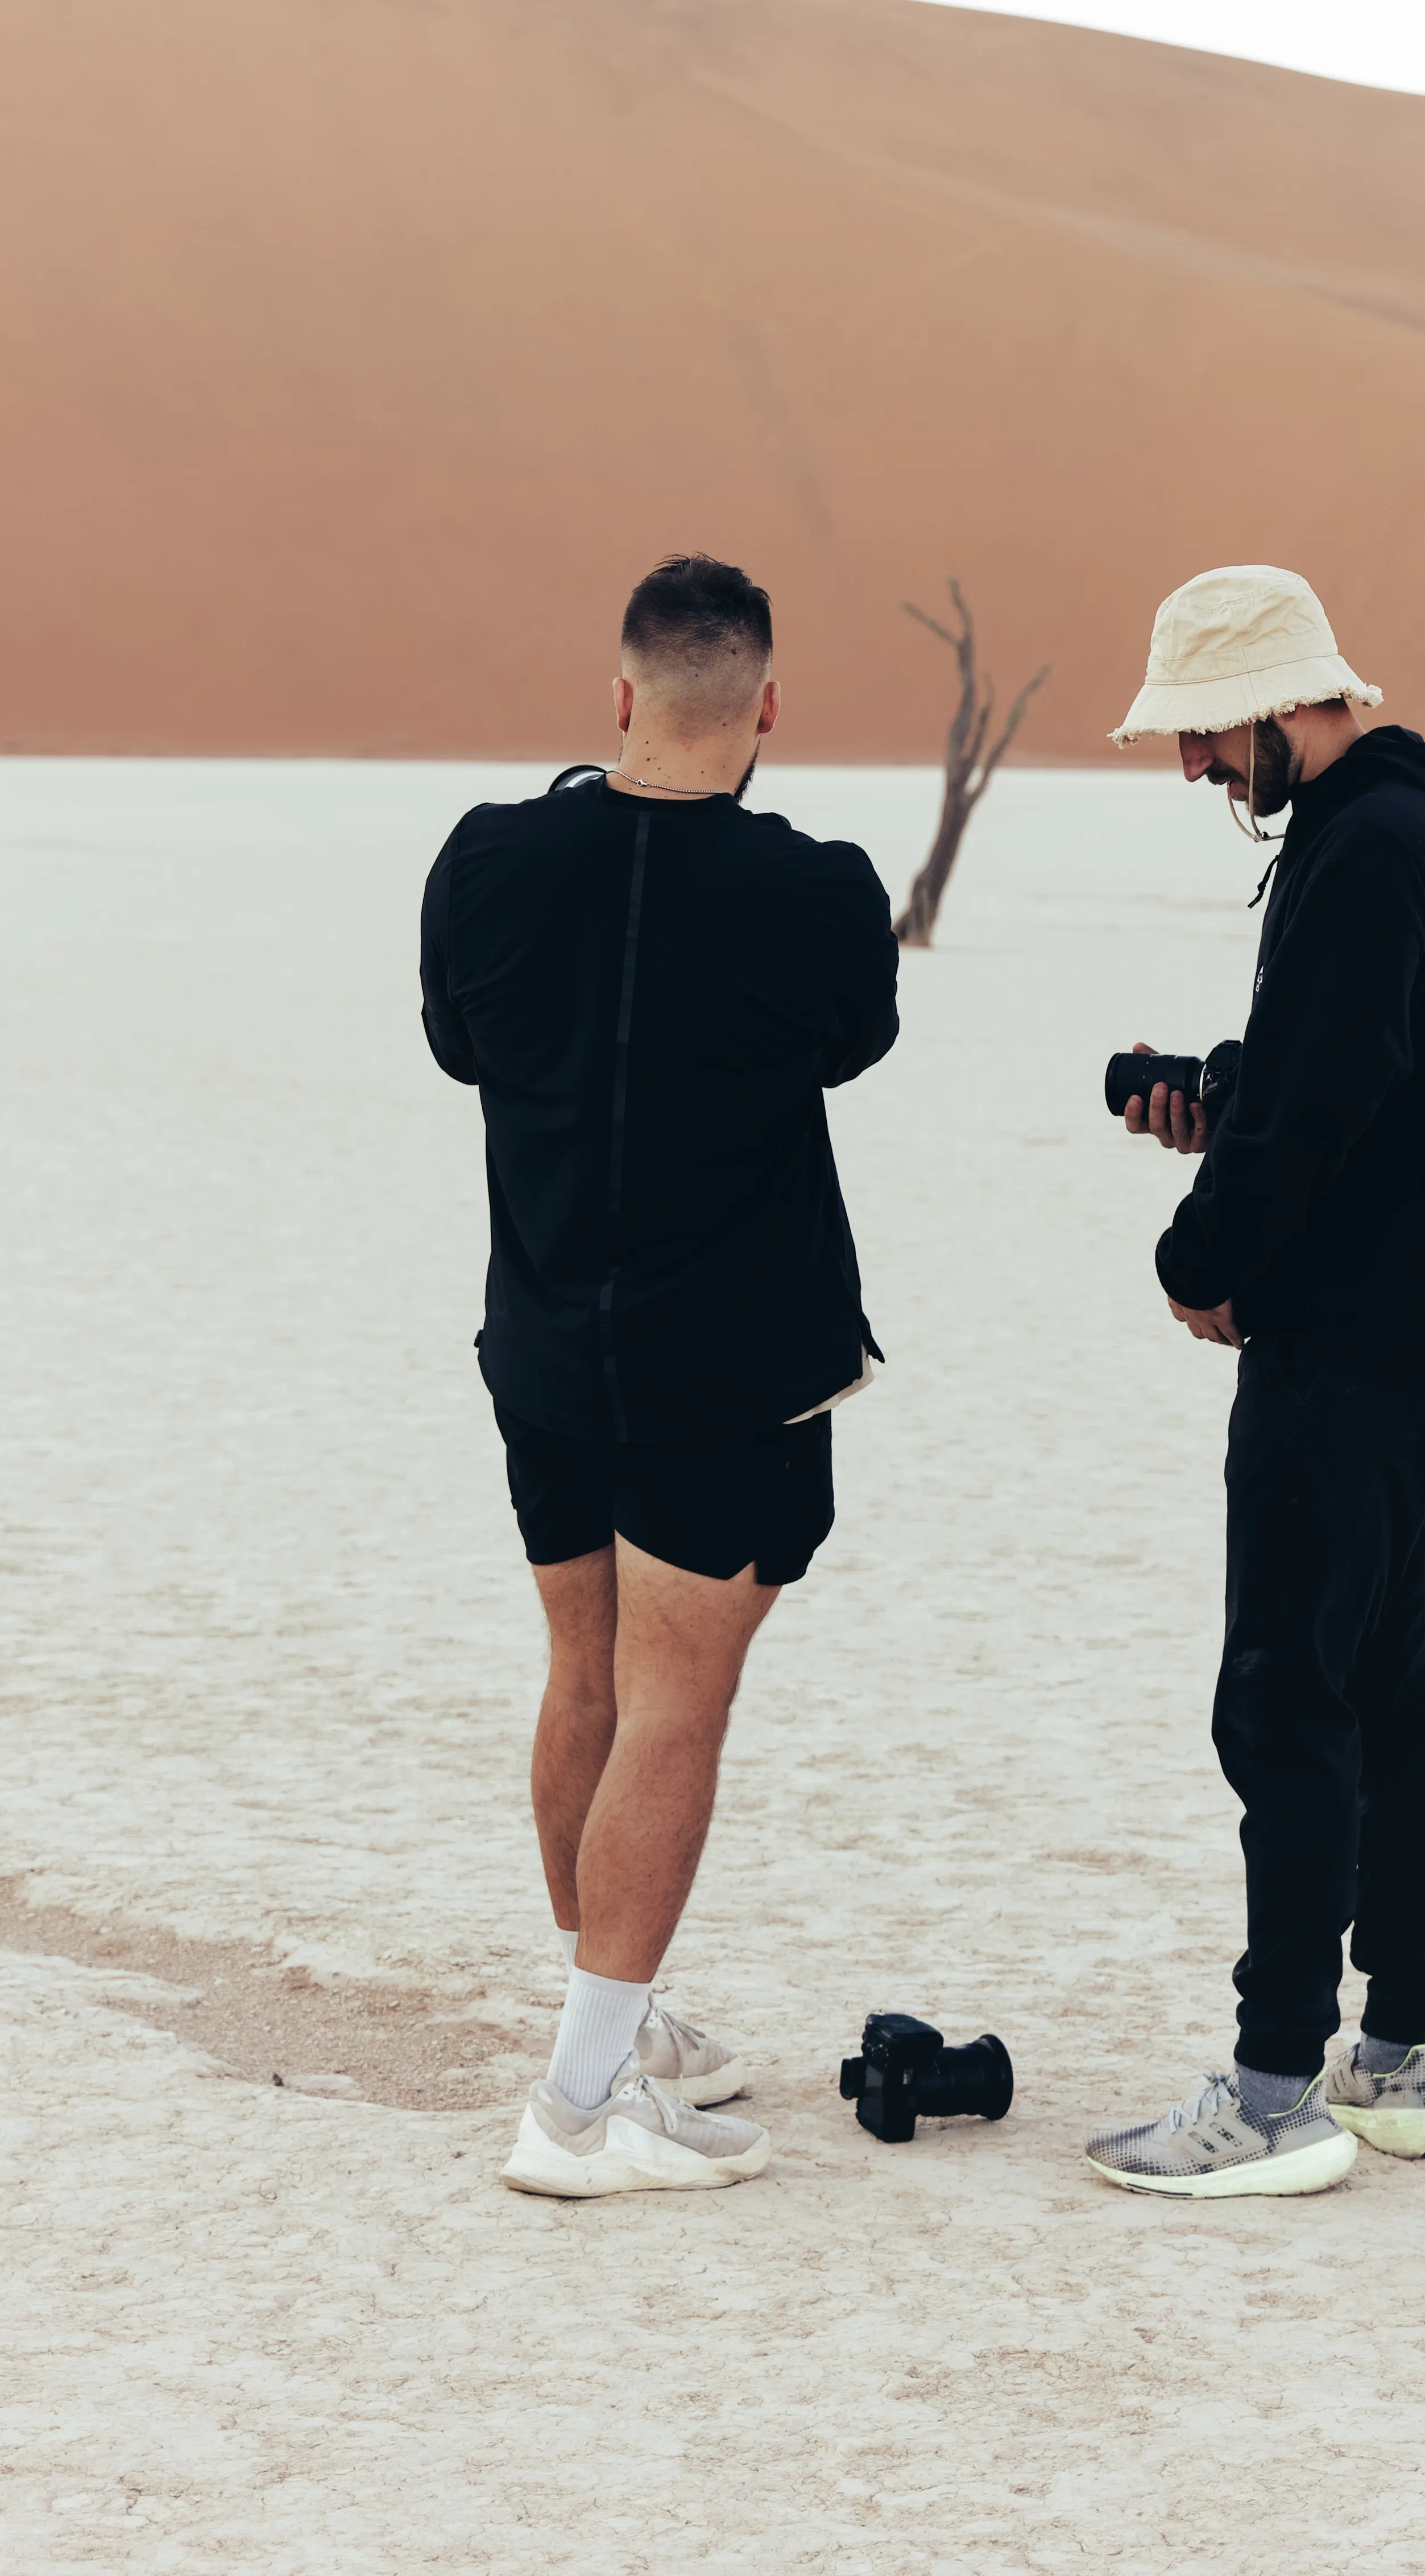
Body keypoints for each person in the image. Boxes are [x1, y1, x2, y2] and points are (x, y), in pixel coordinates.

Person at [420, 554, 900, 2197]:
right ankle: (576, 2102)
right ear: (764, 705)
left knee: (586, 1682)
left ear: (617, 694)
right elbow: (852, 1036)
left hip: (547, 1343)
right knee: (675, 1705)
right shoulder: (816, 889)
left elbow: (460, 1042)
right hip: (721, 1367)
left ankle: (615, 2023)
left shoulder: (486, 858)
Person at [1082, 565, 1425, 2200]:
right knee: (1381, 1671)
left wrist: (1198, 1259)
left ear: (1276, 707)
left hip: (1351, 1341)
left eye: (1205, 737)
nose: (1196, 771)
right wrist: (1219, 1095)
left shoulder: (1366, 849)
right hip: (1423, 1325)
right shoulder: (1398, 831)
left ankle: (1272, 2087)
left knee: (1280, 1690)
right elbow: (1357, 1074)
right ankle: (1393, 2054)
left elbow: (1334, 1103)